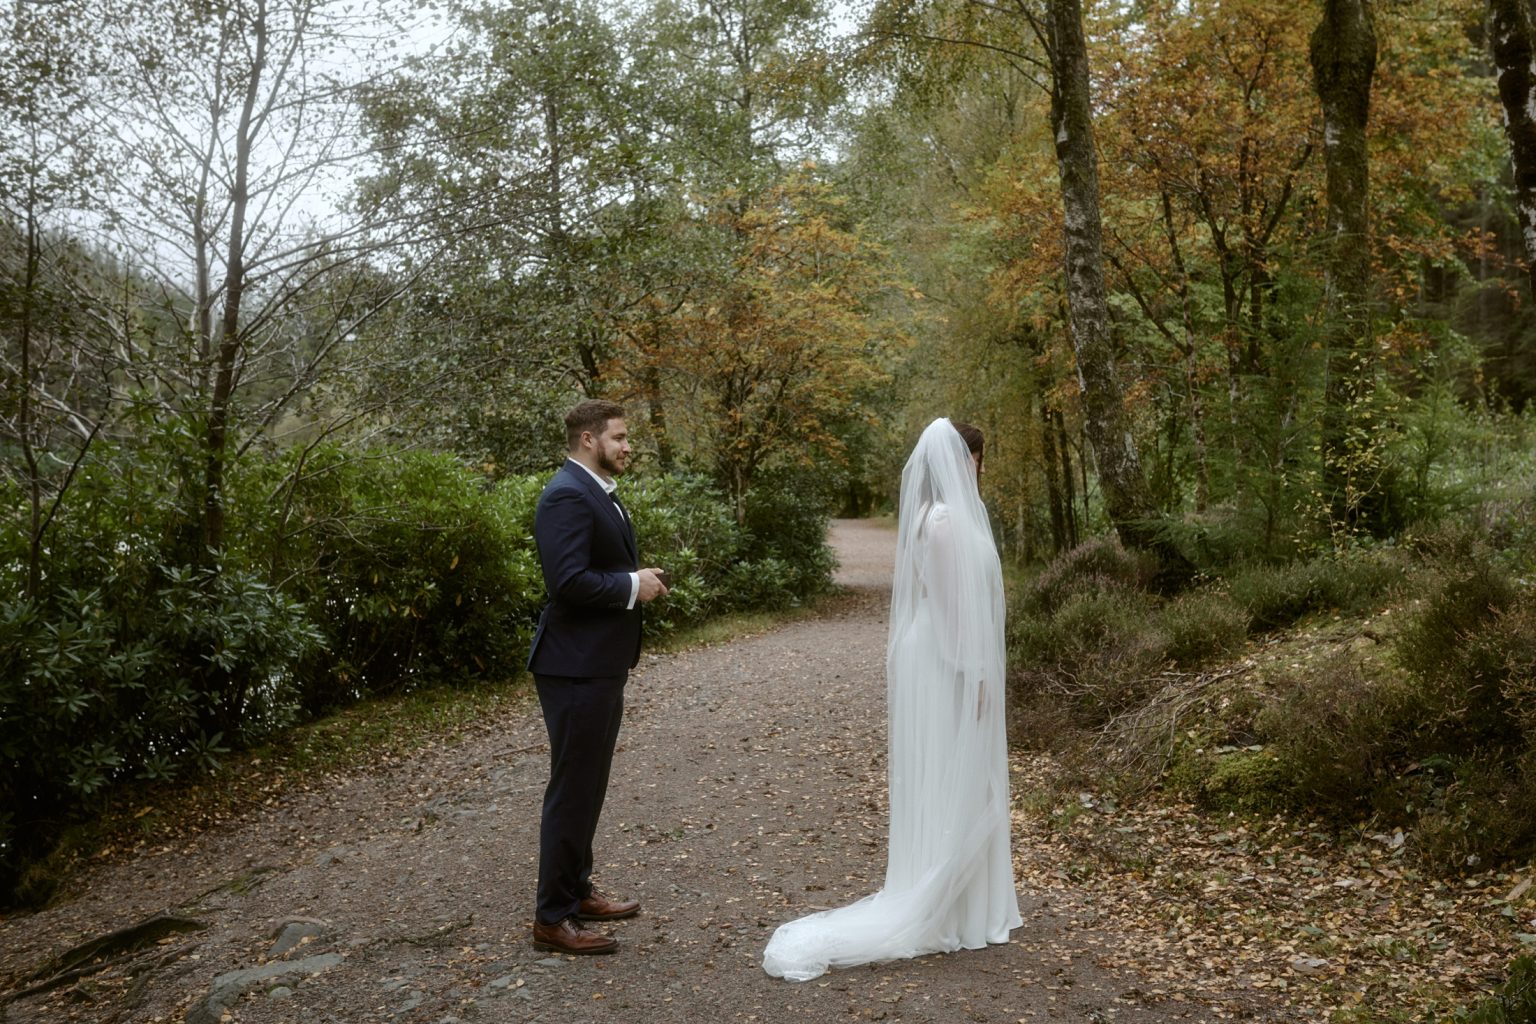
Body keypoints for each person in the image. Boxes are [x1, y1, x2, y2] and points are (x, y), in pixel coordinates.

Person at [762, 417, 1021, 981]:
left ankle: (968, 902)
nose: (977, 468)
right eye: (974, 458)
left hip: (938, 652)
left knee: (953, 775)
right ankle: (952, 906)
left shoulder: (941, 516)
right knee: (956, 774)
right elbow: (955, 609)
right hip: (945, 661)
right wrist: (976, 674)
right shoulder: (948, 522)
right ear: (964, 461)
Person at [527, 399, 669, 955]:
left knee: (589, 785)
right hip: (574, 667)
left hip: (598, 663)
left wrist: (635, 579)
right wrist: (634, 586)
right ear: (589, 440)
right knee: (572, 789)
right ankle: (551, 919)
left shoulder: (593, 490)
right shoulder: (566, 493)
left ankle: (577, 891)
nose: (627, 445)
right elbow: (566, 582)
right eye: (619, 437)